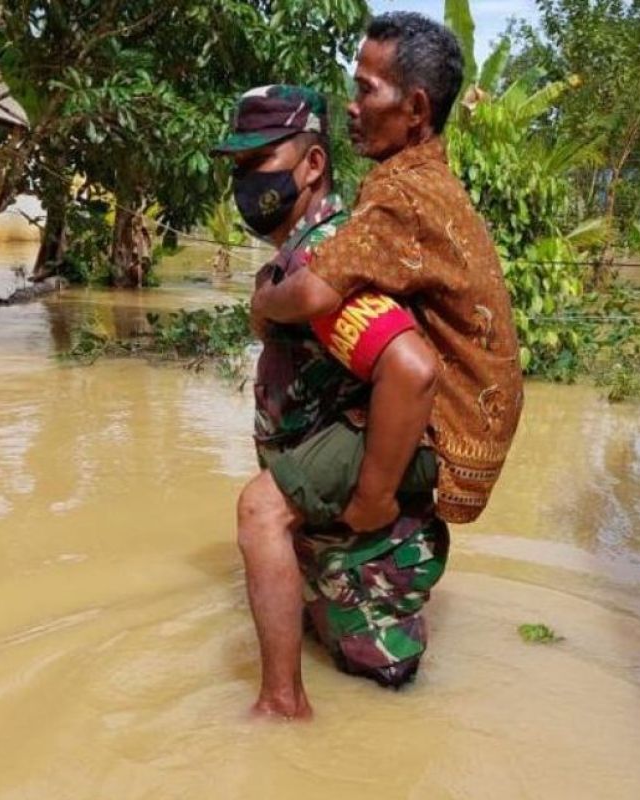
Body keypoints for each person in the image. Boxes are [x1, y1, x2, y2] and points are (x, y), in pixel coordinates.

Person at [212, 85, 449, 720]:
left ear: (312, 165)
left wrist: (371, 498)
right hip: (331, 543)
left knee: (259, 511)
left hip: (372, 556)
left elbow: (412, 370)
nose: (243, 183)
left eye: (257, 163)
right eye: (236, 168)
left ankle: (281, 707)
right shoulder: (299, 262)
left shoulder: (329, 261)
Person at [252, 12, 524, 526]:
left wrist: (264, 301)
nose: (352, 108)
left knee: (259, 512)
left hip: (447, 426)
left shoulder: (400, 193)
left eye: (366, 91)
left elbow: (313, 294)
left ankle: (373, 505)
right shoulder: (429, 180)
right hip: (477, 422)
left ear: (416, 108)